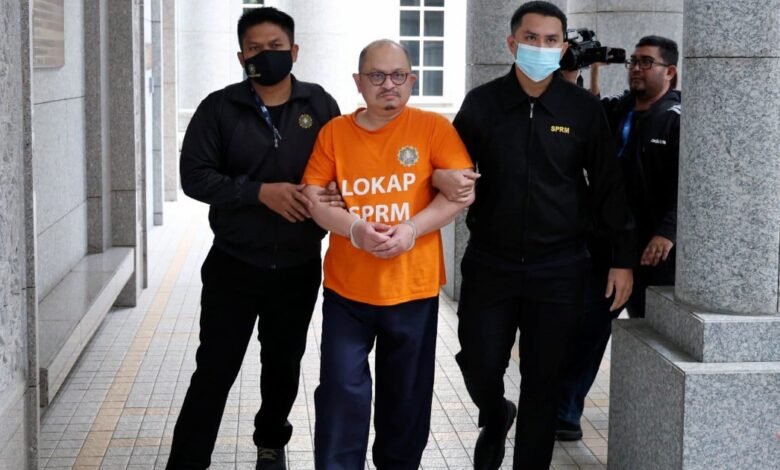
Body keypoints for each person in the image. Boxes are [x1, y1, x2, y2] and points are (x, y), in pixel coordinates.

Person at [451, 2, 635, 468]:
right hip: (491, 261)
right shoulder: (482, 103)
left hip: (560, 267)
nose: (540, 46)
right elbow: (448, 167)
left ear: (563, 47)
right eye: (530, 38)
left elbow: (608, 187)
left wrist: (621, 259)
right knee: (478, 361)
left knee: (543, 380)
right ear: (511, 43)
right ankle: (496, 413)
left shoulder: (582, 109)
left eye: (551, 40)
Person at [167, 7, 341, 470]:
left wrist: (334, 198)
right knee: (214, 368)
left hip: (298, 265)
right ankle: (187, 461)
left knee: (283, 366)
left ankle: (270, 442)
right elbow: (194, 177)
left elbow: (343, 166)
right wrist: (259, 193)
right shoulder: (219, 107)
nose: (266, 55)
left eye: (276, 47)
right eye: (255, 49)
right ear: (241, 56)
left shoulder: (319, 104)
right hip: (234, 264)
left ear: (294, 51)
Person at [301, 39, 474, 470]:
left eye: (398, 75)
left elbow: (461, 192)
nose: (388, 85)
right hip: (348, 291)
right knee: (341, 392)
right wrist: (355, 230)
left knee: (406, 399)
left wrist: (412, 229)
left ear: (412, 80)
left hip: (412, 289)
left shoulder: (432, 128)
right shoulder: (335, 133)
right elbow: (313, 198)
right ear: (358, 82)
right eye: (376, 76)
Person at [556, 35, 680, 441]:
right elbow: (579, 109)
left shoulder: (677, 118)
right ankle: (565, 413)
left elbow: (690, 186)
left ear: (670, 71)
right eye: (634, 61)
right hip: (608, 245)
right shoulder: (619, 109)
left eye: (647, 62)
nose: (637, 69)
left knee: (654, 337)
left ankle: (654, 426)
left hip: (654, 252)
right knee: (587, 327)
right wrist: (580, 69)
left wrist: (667, 231)